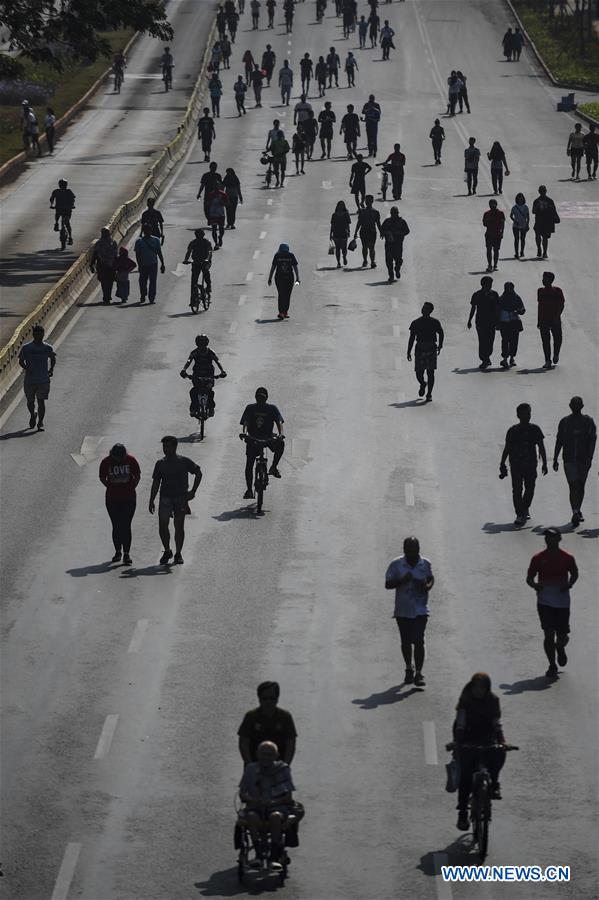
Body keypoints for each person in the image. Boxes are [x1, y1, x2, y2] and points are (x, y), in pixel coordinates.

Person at [453, 673, 507, 831]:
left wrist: (502, 742)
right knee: (465, 779)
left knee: (499, 753)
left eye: (482, 688)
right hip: (467, 739)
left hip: (488, 738)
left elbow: (496, 723)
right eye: (476, 688)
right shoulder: (466, 700)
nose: (478, 691)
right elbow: (460, 723)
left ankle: (495, 783)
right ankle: (463, 813)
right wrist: (457, 742)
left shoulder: (493, 700)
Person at [526, 529, 578, 678]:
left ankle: (560, 647)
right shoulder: (538, 558)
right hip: (544, 601)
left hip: (562, 602)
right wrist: (535, 586)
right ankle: (552, 665)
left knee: (562, 636)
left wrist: (569, 584)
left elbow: (574, 574)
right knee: (548, 634)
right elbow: (529, 578)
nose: (550, 541)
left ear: (559, 539)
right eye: (547, 538)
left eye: (553, 538)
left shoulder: (567, 558)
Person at [385, 536, 434, 686]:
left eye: (415, 550)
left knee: (419, 640)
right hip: (402, 610)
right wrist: (402, 580)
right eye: (409, 551)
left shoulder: (425, 563)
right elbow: (388, 584)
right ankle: (408, 668)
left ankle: (418, 673)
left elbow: (430, 578)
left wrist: (426, 586)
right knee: (406, 641)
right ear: (404, 550)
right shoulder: (396, 564)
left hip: (420, 609)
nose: (412, 554)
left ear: (419, 549)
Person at [238, 741, 295, 870]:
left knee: (275, 816)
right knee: (251, 816)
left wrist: (272, 802)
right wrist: (254, 800)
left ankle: (273, 856)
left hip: (277, 807)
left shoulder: (282, 769)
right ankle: (259, 853)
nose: (266, 757)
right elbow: (242, 793)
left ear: (276, 756)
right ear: (257, 754)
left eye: (270, 754)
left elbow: (288, 797)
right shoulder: (250, 769)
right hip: (255, 807)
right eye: (263, 754)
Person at [149, 436, 202, 566]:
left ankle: (178, 553)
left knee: (179, 526)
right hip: (165, 498)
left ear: (175, 447)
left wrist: (193, 491)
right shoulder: (160, 464)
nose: (165, 449)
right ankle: (167, 550)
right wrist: (151, 500)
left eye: (168, 446)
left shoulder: (184, 461)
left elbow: (198, 473)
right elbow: (156, 483)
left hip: (180, 498)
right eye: (164, 447)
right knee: (163, 526)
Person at [499, 402, 548, 527]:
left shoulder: (535, 429)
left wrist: (545, 463)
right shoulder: (513, 431)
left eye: (528, 413)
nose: (526, 416)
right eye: (523, 414)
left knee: (530, 489)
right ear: (518, 415)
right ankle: (520, 514)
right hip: (516, 465)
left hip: (531, 465)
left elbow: (541, 447)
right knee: (517, 490)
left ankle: (525, 508)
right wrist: (502, 463)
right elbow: (507, 448)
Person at [553, 397, 597, 527]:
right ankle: (575, 511)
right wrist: (555, 458)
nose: (575, 407)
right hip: (569, 459)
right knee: (573, 485)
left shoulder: (588, 421)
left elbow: (592, 440)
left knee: (581, 486)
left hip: (584, 460)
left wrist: (590, 458)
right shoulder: (565, 422)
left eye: (578, 405)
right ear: (570, 406)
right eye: (573, 405)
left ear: (582, 406)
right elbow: (559, 440)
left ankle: (578, 509)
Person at [99, 443, 141, 566]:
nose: (119, 460)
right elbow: (102, 477)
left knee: (126, 525)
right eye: (116, 458)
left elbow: (137, 475)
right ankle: (118, 552)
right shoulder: (106, 462)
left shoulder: (131, 460)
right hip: (112, 499)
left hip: (129, 499)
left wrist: (132, 487)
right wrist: (110, 487)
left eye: (121, 457)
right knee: (116, 525)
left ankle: (126, 553)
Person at [240, 387, 285, 496]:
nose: (261, 399)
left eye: (263, 397)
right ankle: (249, 490)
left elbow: (279, 421)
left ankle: (274, 467)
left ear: (266, 398)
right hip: (253, 439)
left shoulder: (272, 408)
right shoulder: (250, 408)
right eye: (259, 397)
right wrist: (244, 433)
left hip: (268, 438)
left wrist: (281, 434)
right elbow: (246, 422)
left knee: (281, 444)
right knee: (249, 464)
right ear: (255, 397)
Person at [238, 682, 298, 764]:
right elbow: (243, 743)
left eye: (272, 698)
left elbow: (290, 744)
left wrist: (285, 765)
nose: (268, 702)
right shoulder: (251, 716)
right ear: (259, 698)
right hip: (254, 766)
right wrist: (249, 764)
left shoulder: (285, 717)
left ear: (277, 699)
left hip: (278, 767)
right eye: (264, 698)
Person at [18, 324, 56, 432]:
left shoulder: (48, 348)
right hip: (30, 380)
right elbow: (21, 361)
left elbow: (53, 358)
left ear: (43, 334)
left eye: (40, 334)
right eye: (36, 334)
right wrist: (27, 368)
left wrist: (51, 369)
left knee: (41, 401)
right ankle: (33, 414)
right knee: (30, 402)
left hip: (43, 380)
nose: (38, 336)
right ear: (33, 335)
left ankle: (40, 423)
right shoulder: (26, 348)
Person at [180, 333, 226, 415]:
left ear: (206, 344)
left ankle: (211, 408)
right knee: (193, 391)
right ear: (197, 344)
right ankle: (193, 408)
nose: (202, 347)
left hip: (209, 375)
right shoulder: (194, 352)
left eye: (203, 344)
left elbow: (217, 361)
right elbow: (189, 361)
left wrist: (222, 371)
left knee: (210, 391)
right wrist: (184, 370)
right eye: (200, 344)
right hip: (197, 375)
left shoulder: (210, 352)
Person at [407, 302, 444, 401]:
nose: (423, 309)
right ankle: (423, 383)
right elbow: (412, 338)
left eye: (426, 308)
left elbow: (441, 333)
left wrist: (440, 345)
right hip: (420, 348)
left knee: (430, 372)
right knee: (419, 372)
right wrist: (408, 351)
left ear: (430, 311)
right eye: (423, 307)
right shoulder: (416, 322)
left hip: (431, 348)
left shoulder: (435, 322)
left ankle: (429, 394)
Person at [467, 276, 499, 369]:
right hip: (480, 321)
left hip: (491, 321)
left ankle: (487, 357)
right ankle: (484, 359)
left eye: (491, 284)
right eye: (489, 284)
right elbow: (473, 308)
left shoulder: (494, 294)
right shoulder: (477, 295)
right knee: (482, 340)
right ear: (483, 284)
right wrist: (469, 320)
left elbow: (498, 308)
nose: (490, 286)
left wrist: (498, 321)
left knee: (490, 340)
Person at [536, 270, 564, 368]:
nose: (543, 280)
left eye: (545, 279)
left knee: (558, 338)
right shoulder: (540, 291)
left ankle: (556, 354)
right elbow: (540, 306)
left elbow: (561, 305)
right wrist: (539, 320)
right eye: (543, 278)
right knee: (545, 340)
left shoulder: (557, 291)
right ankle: (547, 360)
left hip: (554, 318)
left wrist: (557, 317)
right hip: (544, 319)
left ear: (551, 280)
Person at [497, 281, 525, 369]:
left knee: (514, 340)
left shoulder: (517, 298)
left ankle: (512, 358)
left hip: (514, 321)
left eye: (510, 288)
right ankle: (505, 358)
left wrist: (518, 311)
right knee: (505, 340)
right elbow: (497, 311)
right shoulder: (501, 299)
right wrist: (497, 322)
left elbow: (522, 309)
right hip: (504, 321)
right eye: (507, 288)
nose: (508, 290)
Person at [134, 224, 165, 303]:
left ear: (151, 231)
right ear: (143, 231)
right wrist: (139, 264)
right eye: (145, 230)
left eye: (148, 230)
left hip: (153, 264)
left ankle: (151, 298)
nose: (147, 232)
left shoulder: (156, 240)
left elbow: (159, 252)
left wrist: (162, 263)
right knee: (142, 281)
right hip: (143, 264)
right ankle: (143, 295)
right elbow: (137, 255)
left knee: (153, 282)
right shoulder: (139, 242)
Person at [268, 243, 299, 318]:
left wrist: (270, 278)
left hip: (280, 278)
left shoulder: (278, 255)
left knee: (282, 294)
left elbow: (273, 268)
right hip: (288, 278)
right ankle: (283, 312)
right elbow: (295, 267)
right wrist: (298, 278)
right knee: (286, 295)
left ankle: (284, 312)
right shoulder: (290, 255)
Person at [380, 205, 410, 282]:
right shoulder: (387, 221)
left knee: (398, 260)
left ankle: (397, 269)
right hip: (389, 244)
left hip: (398, 244)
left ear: (397, 213)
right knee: (389, 261)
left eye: (395, 213)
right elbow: (382, 230)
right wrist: (386, 233)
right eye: (393, 213)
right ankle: (391, 275)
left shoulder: (402, 222)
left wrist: (399, 233)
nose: (394, 215)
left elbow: (407, 231)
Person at [90, 228, 118, 304]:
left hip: (102, 265)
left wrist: (92, 264)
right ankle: (108, 295)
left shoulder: (99, 243)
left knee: (104, 281)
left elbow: (95, 254)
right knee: (110, 281)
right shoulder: (113, 242)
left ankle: (106, 296)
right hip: (111, 265)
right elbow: (115, 255)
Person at [183, 228, 213, 297]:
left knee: (205, 271)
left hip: (205, 261)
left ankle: (208, 286)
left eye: (200, 235)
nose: (199, 237)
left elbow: (209, 252)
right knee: (194, 277)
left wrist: (207, 260)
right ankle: (193, 293)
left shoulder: (207, 242)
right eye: (197, 235)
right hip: (196, 261)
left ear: (203, 235)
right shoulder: (193, 242)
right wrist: (186, 260)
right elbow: (189, 252)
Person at [532, 186, 559, 259]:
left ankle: (545, 252)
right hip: (539, 221)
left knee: (545, 238)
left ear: (546, 191)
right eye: (541, 191)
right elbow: (533, 211)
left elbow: (554, 210)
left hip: (547, 222)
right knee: (537, 236)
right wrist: (538, 206)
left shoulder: (550, 201)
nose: (542, 192)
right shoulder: (536, 201)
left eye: (543, 191)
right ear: (539, 192)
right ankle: (539, 248)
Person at [352, 194, 380, 267]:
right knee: (365, 247)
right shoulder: (362, 211)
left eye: (369, 200)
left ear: (372, 201)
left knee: (371, 247)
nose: (367, 202)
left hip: (372, 232)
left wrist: (381, 232)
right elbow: (359, 222)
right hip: (364, 231)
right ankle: (365, 260)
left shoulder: (375, 212)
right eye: (366, 200)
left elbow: (378, 223)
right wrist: (355, 232)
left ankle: (372, 261)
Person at [482, 198, 505, 272]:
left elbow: (502, 224)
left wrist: (502, 233)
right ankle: (489, 265)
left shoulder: (500, 213)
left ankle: (495, 265)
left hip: (497, 234)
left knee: (496, 250)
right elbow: (484, 224)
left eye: (493, 204)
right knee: (489, 250)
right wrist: (488, 221)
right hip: (489, 234)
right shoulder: (486, 214)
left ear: (496, 204)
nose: (492, 206)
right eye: (491, 204)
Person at [49, 179, 75, 243]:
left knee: (66, 222)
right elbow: (52, 199)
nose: (63, 186)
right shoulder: (57, 191)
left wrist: (72, 205)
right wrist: (52, 204)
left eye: (64, 185)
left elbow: (73, 199)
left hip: (66, 209)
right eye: (62, 185)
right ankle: (56, 223)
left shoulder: (68, 191)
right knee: (61, 218)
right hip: (61, 208)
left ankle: (70, 237)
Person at [330, 200, 351, 267]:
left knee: (344, 248)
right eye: (339, 205)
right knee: (337, 248)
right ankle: (338, 262)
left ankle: (344, 257)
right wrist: (330, 233)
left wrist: (349, 231)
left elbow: (348, 224)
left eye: (342, 205)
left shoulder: (346, 214)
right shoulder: (334, 215)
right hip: (336, 232)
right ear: (337, 206)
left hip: (344, 232)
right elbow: (332, 225)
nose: (340, 206)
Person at [206, 183, 228, 248]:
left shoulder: (223, 194)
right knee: (214, 229)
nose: (216, 187)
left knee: (221, 229)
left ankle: (220, 237)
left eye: (217, 186)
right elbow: (207, 204)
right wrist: (210, 201)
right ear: (213, 186)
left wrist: (221, 201)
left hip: (221, 214)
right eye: (215, 185)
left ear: (219, 186)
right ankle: (216, 243)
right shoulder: (211, 194)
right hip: (213, 214)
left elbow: (227, 204)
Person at [510, 192, 529, 259]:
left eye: (521, 198)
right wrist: (515, 221)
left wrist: (527, 224)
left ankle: (522, 251)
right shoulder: (514, 207)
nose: (520, 199)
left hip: (523, 225)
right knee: (516, 239)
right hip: (516, 225)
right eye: (519, 198)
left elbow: (528, 217)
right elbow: (511, 216)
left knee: (523, 239)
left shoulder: (525, 207)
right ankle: (516, 253)